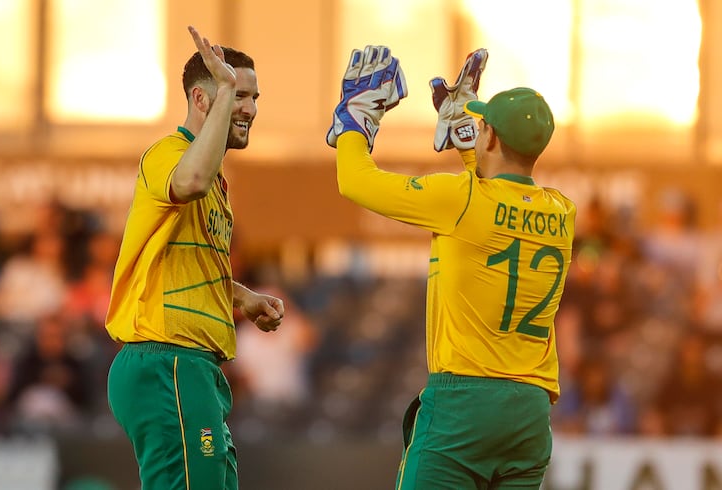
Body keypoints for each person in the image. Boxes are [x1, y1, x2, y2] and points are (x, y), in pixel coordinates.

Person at [326, 46, 576, 489]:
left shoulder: (458, 200)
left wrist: (355, 118)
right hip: (531, 415)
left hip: (465, 406)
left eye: (482, 127)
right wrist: (467, 142)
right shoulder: (561, 212)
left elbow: (353, 180)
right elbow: (497, 201)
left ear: (493, 139)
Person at [105, 25, 284, 490]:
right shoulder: (169, 154)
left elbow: (185, 271)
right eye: (236, 93)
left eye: (252, 96)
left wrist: (241, 298)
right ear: (201, 100)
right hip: (167, 361)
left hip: (192, 366)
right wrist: (225, 89)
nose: (250, 108)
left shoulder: (219, 185)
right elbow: (188, 182)